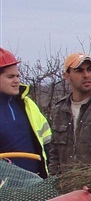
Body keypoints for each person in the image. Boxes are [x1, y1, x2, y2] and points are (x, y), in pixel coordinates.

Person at [0, 47, 51, 177]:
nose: (16, 80)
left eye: (18, 76)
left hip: (36, 182)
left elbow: (47, 142)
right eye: (10, 77)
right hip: (5, 189)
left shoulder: (28, 105)